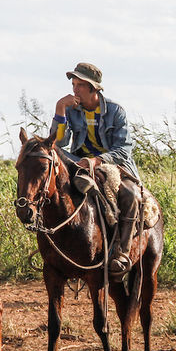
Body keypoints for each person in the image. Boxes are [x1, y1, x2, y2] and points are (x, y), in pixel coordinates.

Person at [51, 62, 141, 275]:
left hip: (113, 165)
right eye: (73, 84)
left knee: (130, 195)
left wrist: (97, 161)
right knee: (53, 162)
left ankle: (122, 252)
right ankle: (60, 248)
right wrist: (60, 108)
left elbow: (124, 148)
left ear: (93, 88)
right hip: (80, 163)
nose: (74, 89)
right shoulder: (72, 110)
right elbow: (59, 142)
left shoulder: (115, 111)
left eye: (79, 85)